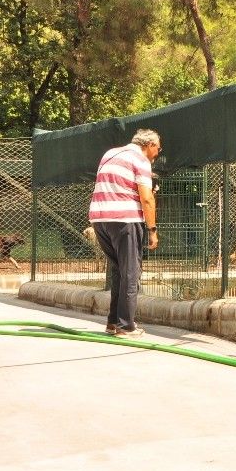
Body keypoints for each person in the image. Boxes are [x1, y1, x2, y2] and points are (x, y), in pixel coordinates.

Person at [89, 129, 162, 337]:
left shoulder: (110, 154)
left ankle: (113, 322)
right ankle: (126, 326)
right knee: (131, 272)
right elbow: (146, 199)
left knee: (119, 270)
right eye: (158, 148)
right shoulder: (141, 160)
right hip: (125, 220)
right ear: (149, 145)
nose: (158, 152)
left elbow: (117, 187)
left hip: (100, 219)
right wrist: (152, 230)